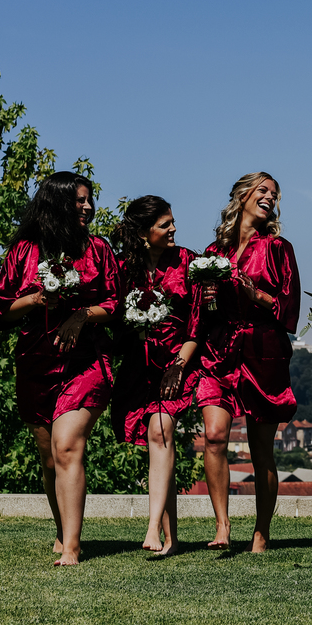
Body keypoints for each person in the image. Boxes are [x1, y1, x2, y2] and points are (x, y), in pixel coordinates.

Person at [0, 171, 118, 566]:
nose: (87, 206)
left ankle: (72, 549)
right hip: (35, 362)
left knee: (67, 446)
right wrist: (35, 299)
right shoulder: (24, 251)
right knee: (50, 459)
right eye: (79, 200)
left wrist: (82, 314)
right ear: (57, 203)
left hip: (86, 362)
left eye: (89, 199)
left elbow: (118, 303)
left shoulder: (99, 248)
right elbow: (1, 311)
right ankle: (63, 531)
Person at [197, 172, 300, 553]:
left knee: (261, 451)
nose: (270, 198)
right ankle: (222, 526)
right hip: (220, 351)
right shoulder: (213, 252)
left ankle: (261, 531)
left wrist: (255, 295)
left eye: (274, 194)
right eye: (263, 191)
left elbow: (289, 308)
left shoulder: (278, 248)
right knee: (215, 436)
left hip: (263, 350)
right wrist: (208, 297)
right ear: (242, 196)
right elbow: (204, 313)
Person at [109, 196, 201, 556]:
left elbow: (197, 323)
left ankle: (150, 530)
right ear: (145, 232)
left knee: (160, 430)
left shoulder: (188, 262)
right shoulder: (123, 268)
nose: (174, 229)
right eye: (165, 224)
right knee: (160, 442)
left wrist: (179, 365)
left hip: (177, 362)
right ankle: (172, 539)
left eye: (173, 222)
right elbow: (114, 316)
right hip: (137, 364)